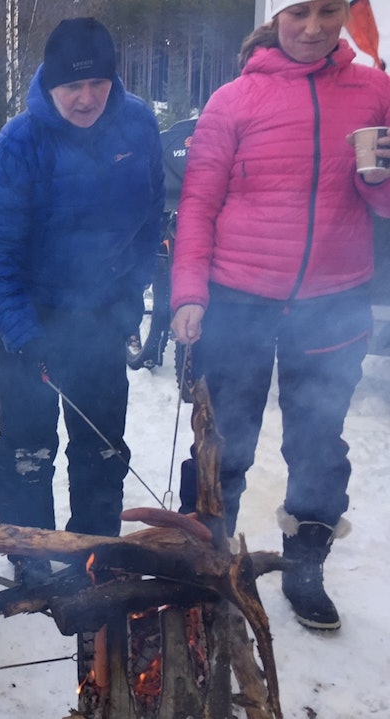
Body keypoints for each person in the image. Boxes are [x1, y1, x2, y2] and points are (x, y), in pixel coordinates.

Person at [170, 0, 390, 631]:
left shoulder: (375, 93)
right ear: (276, 16)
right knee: (222, 442)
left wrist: (376, 182)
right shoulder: (233, 100)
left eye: (329, 11)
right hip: (240, 296)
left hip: (334, 300)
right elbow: (199, 203)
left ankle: (305, 570)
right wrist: (189, 293)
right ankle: (208, 567)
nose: (316, 27)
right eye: (301, 12)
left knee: (318, 446)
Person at [0, 17, 164, 582]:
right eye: (72, 87)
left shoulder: (138, 128)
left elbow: (151, 221)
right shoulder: (14, 148)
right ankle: (33, 560)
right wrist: (25, 338)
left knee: (102, 447)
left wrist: (130, 297)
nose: (86, 98)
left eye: (98, 84)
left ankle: (93, 555)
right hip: (26, 320)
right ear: (49, 85)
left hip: (100, 317)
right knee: (29, 451)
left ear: (114, 80)